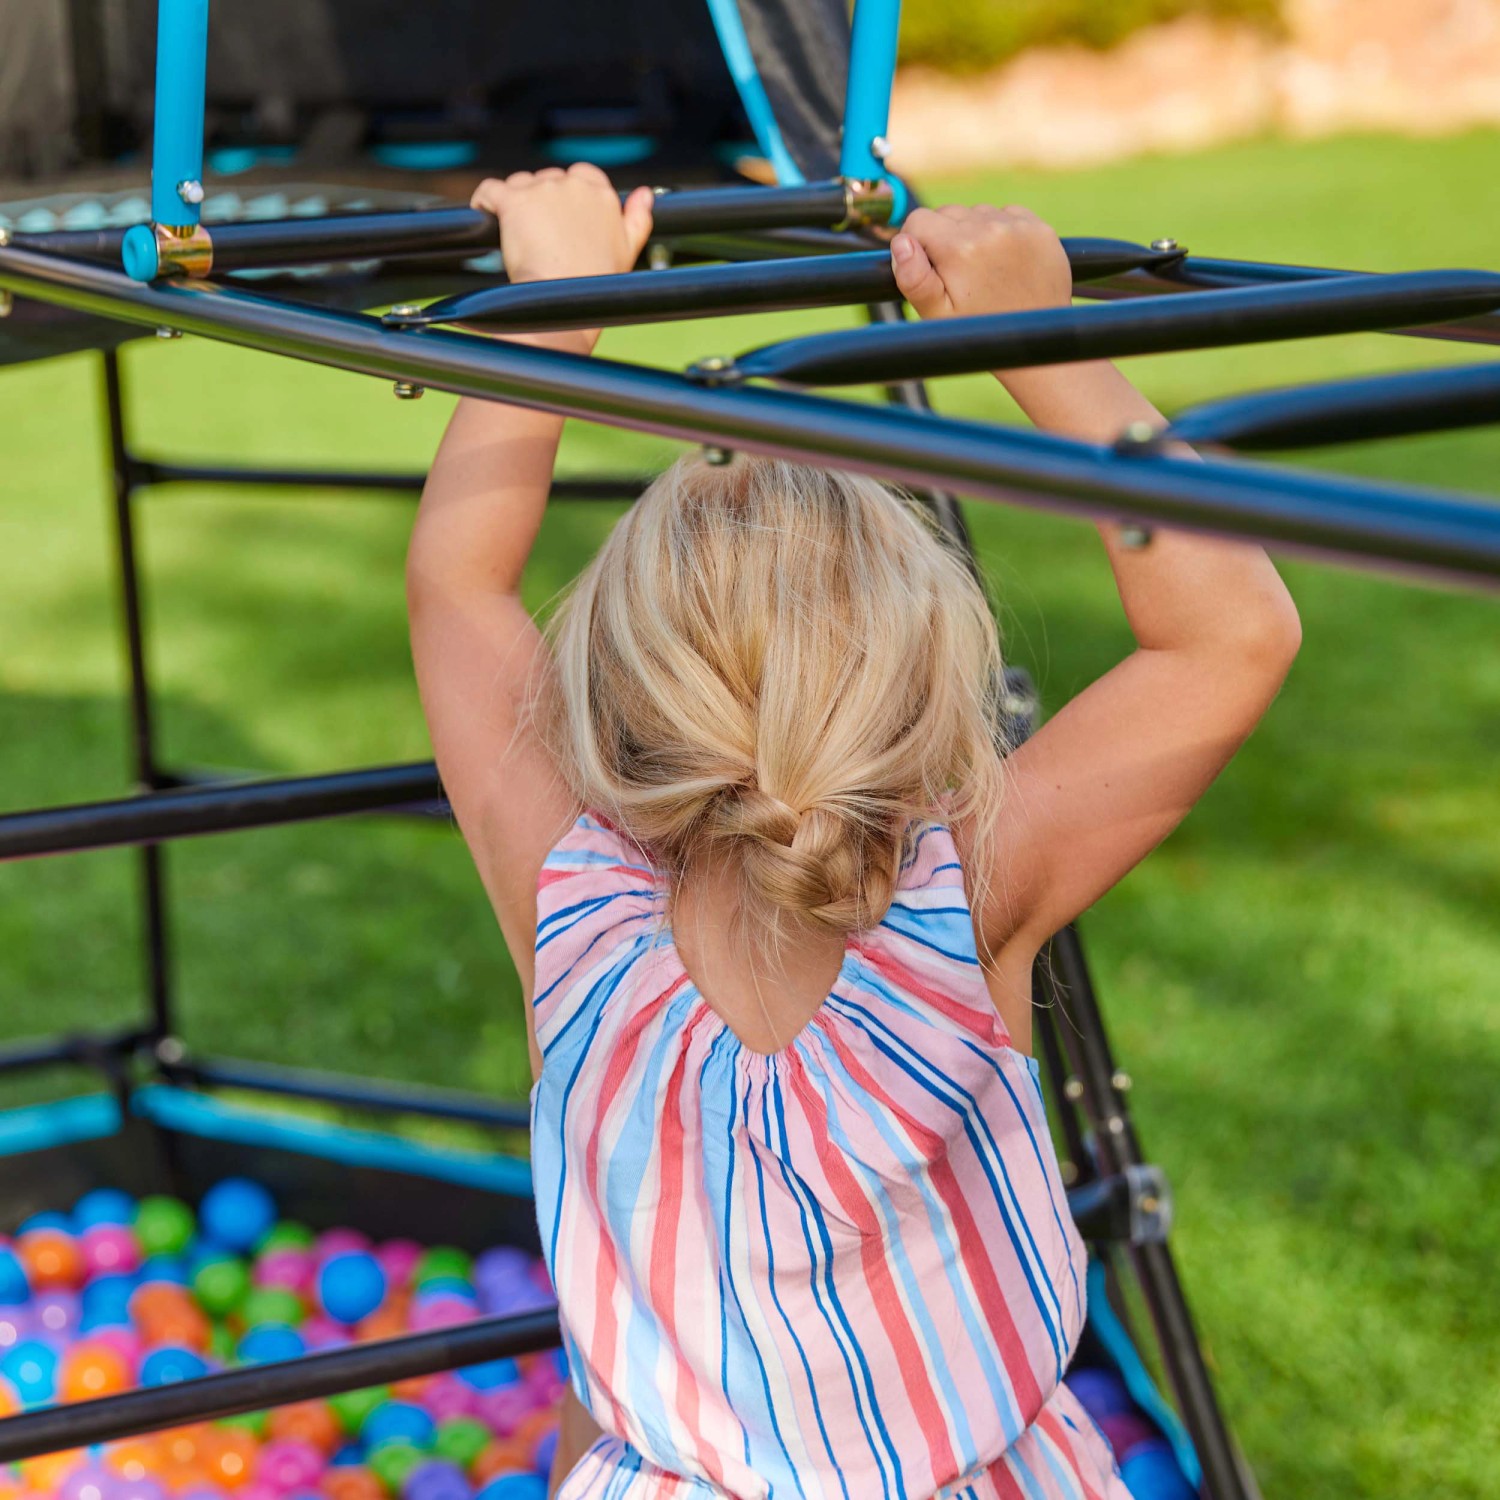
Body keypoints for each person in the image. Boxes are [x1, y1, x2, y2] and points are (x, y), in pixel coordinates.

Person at [407, 163, 1301, 1500]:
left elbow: (453, 582)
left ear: (622, 685)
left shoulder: (571, 902)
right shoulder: (967, 891)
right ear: (923, 681)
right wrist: (1044, 340)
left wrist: (558, 304)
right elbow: (1235, 628)